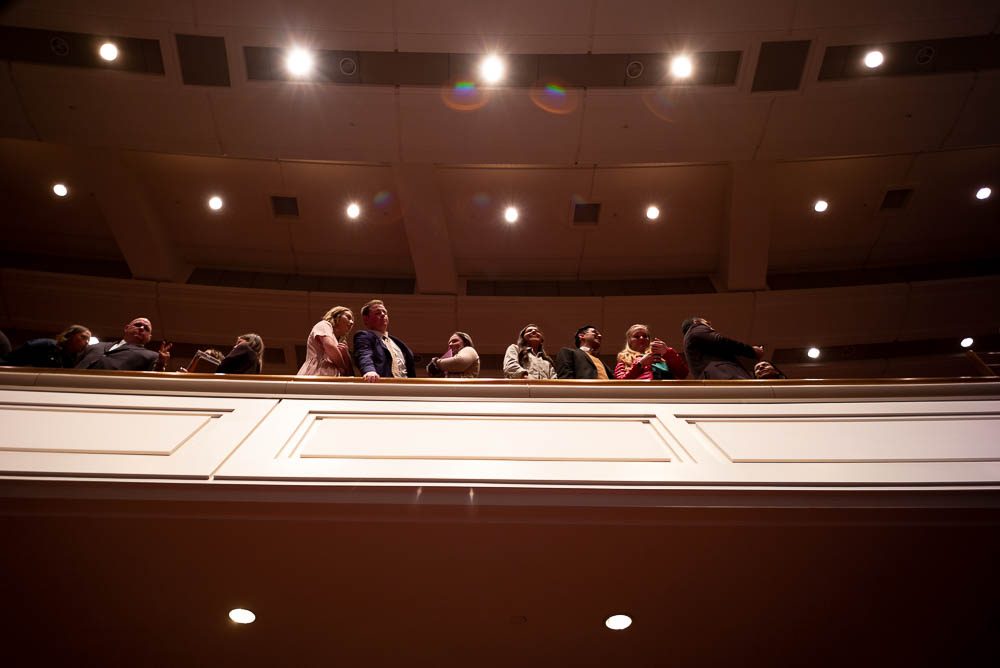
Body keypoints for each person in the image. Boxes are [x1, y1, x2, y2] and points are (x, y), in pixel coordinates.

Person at [75, 317, 171, 371]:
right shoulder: (96, 346)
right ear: (126, 328)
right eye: (137, 325)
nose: (141, 328)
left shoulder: (152, 356)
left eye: (146, 328)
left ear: (149, 337)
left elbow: (152, 382)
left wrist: (161, 364)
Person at [681, 317, 763, 380]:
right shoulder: (696, 328)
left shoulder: (690, 345)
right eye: (707, 324)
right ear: (696, 321)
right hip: (725, 375)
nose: (711, 328)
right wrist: (751, 351)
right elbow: (721, 341)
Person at [353, 299, 415, 382]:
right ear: (366, 319)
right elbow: (364, 354)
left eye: (384, 312)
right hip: (384, 386)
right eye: (378, 313)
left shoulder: (398, 343)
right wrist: (369, 370)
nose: (383, 315)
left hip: (407, 387)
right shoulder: (364, 336)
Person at [614, 324, 689, 380]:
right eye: (636, 336)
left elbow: (683, 374)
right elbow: (621, 382)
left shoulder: (662, 356)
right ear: (629, 341)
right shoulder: (624, 360)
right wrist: (640, 364)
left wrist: (668, 352)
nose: (641, 338)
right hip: (645, 394)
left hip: (672, 393)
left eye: (645, 336)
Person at [297, 306, 354, 376]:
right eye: (348, 317)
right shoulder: (324, 325)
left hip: (331, 378)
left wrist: (346, 355)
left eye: (352, 320)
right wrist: (341, 367)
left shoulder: (342, 343)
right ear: (336, 316)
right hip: (316, 373)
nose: (352, 322)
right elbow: (330, 346)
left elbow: (350, 375)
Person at [2, 324, 92, 368]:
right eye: (83, 337)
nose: (86, 342)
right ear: (70, 335)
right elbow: (11, 359)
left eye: (88, 340)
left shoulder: (72, 362)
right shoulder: (45, 345)